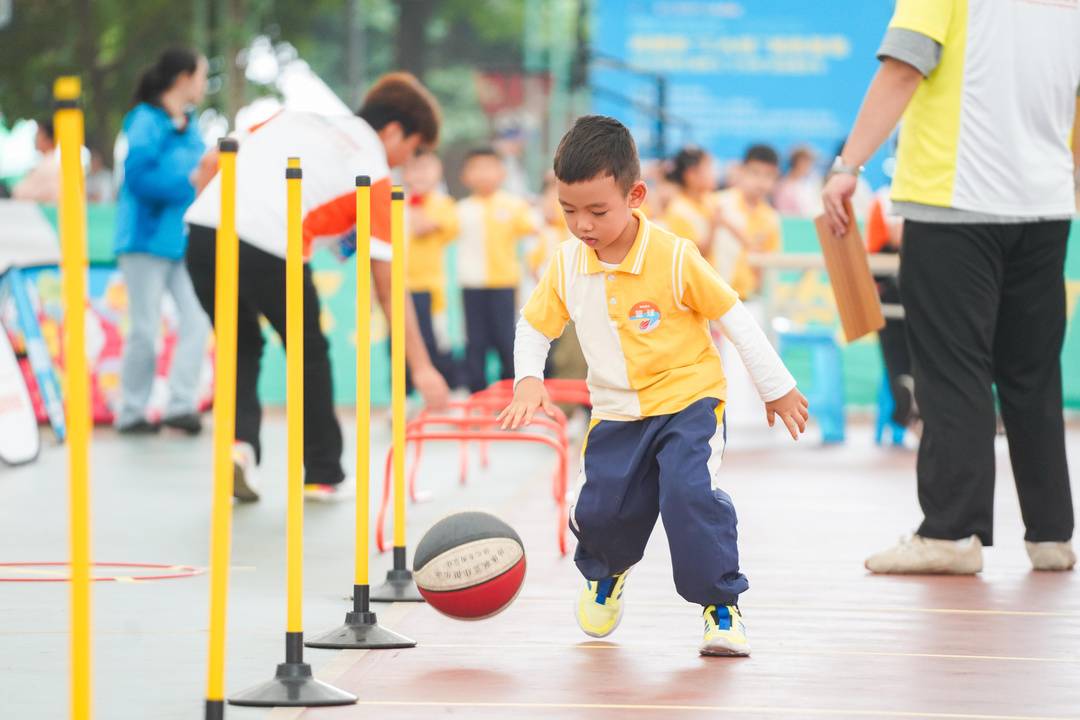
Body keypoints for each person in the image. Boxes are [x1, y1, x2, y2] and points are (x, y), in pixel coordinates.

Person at [498, 116, 809, 656]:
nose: (583, 225)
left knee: (689, 497)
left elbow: (732, 314)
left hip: (689, 399)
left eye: (598, 211)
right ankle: (608, 572)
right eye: (569, 210)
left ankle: (721, 608)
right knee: (601, 513)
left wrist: (773, 385)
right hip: (616, 411)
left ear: (635, 194)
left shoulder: (674, 255)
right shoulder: (567, 263)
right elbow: (535, 324)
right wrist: (529, 378)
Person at [822, 0, 1080, 574]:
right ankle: (1051, 534)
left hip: (954, 202)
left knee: (952, 367)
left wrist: (848, 165)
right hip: (1045, 202)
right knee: (1033, 371)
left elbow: (903, 69)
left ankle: (950, 532)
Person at [184, 72, 450, 503]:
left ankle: (240, 446)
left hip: (203, 230)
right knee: (308, 352)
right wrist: (420, 367)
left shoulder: (290, 118)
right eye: (413, 149)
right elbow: (387, 281)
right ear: (395, 130)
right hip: (271, 243)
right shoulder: (375, 171)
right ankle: (323, 472)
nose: (407, 161)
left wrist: (211, 210)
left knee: (239, 343)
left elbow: (213, 161)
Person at [113, 48, 210, 435]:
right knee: (144, 327)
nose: (204, 84)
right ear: (183, 77)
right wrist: (187, 183)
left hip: (181, 241)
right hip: (143, 241)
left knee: (198, 319)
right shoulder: (144, 120)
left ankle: (181, 405)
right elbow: (137, 178)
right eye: (202, 75)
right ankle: (132, 412)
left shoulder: (192, 124)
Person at [455, 147, 537, 393]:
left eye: (489, 167)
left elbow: (534, 229)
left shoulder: (513, 206)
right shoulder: (460, 210)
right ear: (465, 176)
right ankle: (477, 399)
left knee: (506, 341)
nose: (483, 174)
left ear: (502, 173)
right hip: (472, 286)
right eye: (476, 168)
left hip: (504, 285)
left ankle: (509, 396)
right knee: (475, 343)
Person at [403, 148, 458, 388]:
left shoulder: (442, 203)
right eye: (414, 168)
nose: (420, 175)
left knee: (435, 342)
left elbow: (423, 227)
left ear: (438, 171)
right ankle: (402, 399)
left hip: (431, 289)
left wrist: (414, 202)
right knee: (400, 345)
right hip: (401, 287)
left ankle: (446, 393)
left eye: (426, 168)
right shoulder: (397, 202)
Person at [712, 144, 783, 299]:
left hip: (748, 300)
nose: (761, 181)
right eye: (755, 173)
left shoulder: (771, 218)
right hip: (713, 297)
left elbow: (769, 267)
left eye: (768, 175)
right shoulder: (719, 203)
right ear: (742, 171)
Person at [660, 146, 720, 255]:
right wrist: (713, 227)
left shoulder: (708, 199)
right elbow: (694, 255)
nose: (714, 173)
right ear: (691, 175)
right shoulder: (678, 211)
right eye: (708, 168)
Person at [12, 118, 60, 203]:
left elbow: (19, 193)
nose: (35, 138)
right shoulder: (54, 162)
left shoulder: (48, 165)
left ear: (47, 138)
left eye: (38, 134)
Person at [773, 146, 821, 218]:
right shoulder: (784, 186)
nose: (809, 166)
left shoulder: (809, 183)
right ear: (799, 162)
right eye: (807, 162)